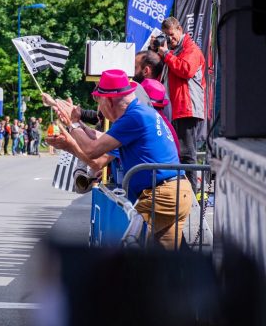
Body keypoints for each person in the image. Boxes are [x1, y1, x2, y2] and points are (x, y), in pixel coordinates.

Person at [43, 69, 192, 250]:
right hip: (172, 191)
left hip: (163, 193)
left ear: (109, 101)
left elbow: (92, 151)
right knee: (165, 260)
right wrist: (75, 123)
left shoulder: (134, 117)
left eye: (98, 100)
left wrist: (72, 127)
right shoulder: (139, 113)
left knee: (130, 246)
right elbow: (99, 138)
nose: (98, 107)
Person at [154, 17, 206, 190]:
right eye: (166, 36)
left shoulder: (191, 49)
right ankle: (184, 191)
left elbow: (186, 70)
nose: (170, 39)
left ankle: (192, 194)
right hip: (177, 107)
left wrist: (166, 54)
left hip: (187, 107)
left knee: (186, 153)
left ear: (180, 29)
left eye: (171, 35)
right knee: (179, 152)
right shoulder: (175, 50)